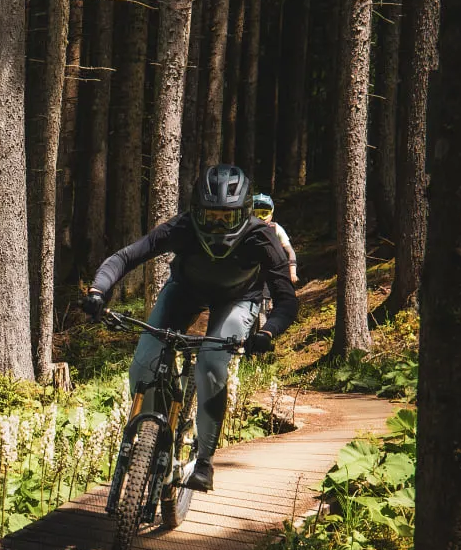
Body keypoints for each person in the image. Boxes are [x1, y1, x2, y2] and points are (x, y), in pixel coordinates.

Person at [80, 165, 297, 493]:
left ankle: (204, 462)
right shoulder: (182, 227)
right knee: (143, 364)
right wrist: (98, 291)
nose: (217, 225)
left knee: (211, 365)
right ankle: (152, 439)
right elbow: (125, 257)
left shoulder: (262, 238)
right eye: (210, 216)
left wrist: (268, 332)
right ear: (196, 211)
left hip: (239, 299)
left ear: (245, 214)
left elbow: (286, 300)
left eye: (227, 217)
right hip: (185, 291)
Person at [252, 193, 298, 283]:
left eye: (264, 213)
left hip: (275, 269)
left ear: (271, 214)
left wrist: (292, 272)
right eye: (256, 214)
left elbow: (290, 251)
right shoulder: (247, 229)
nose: (260, 217)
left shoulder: (276, 228)